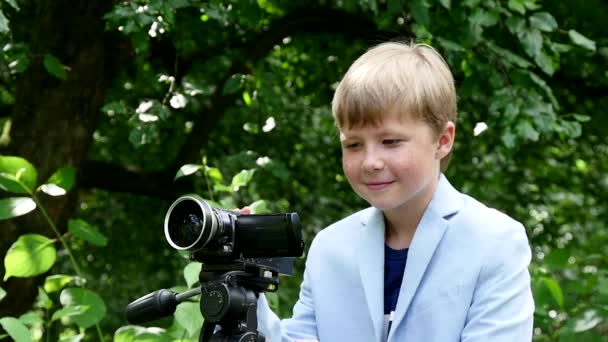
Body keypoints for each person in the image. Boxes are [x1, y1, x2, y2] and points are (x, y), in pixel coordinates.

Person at [253, 41, 534, 342]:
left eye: (391, 142)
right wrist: (246, 293)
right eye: (353, 144)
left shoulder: (494, 242)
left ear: (443, 140)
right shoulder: (330, 248)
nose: (371, 162)